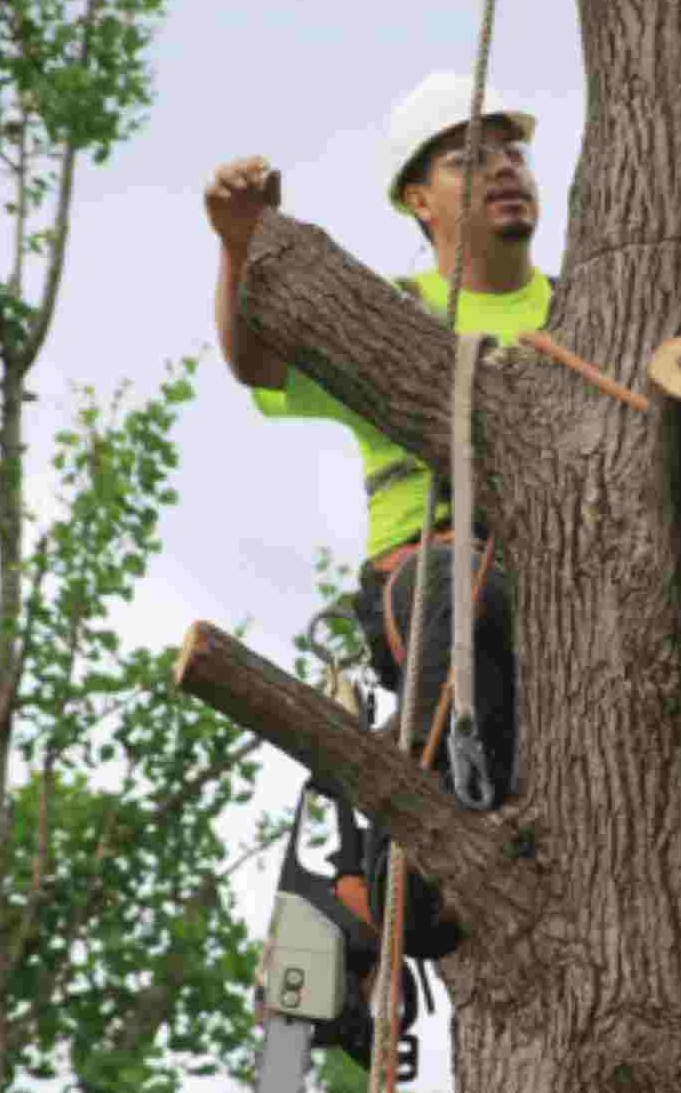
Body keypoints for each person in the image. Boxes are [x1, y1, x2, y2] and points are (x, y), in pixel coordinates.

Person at [205, 72, 553, 956]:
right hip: (431, 577)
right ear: (416, 199)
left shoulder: (585, 309)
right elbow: (258, 365)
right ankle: (431, 848)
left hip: (567, 580)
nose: (505, 170)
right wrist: (240, 248)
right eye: (468, 160)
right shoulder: (394, 317)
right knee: (453, 583)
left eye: (512, 151)